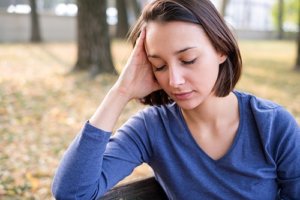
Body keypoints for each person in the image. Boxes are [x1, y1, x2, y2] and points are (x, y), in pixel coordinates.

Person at [52, 0, 300, 199]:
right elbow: (73, 193)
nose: (174, 80)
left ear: (221, 49)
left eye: (188, 59)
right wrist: (121, 91)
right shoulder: (150, 129)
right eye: (159, 66)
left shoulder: (272, 125)